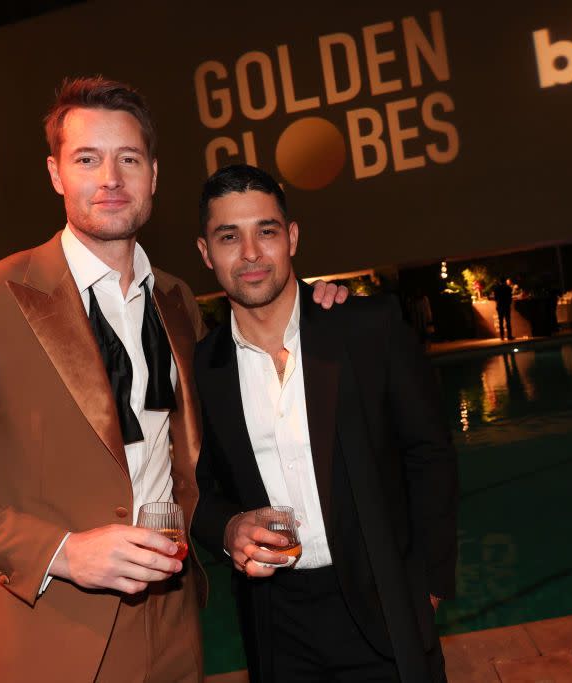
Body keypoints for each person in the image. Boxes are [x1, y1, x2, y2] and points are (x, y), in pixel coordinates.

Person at [0, 77, 344, 683]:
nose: (111, 179)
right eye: (87, 159)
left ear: (153, 174)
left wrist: (322, 310)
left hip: (172, 628)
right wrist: (60, 553)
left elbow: (192, 460)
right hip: (43, 641)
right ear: (55, 174)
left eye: (128, 159)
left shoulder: (177, 301)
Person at [191, 164, 457, 682]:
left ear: (291, 237)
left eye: (266, 231)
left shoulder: (367, 327)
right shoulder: (203, 367)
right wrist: (227, 528)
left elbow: (429, 453)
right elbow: (196, 488)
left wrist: (428, 582)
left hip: (384, 604)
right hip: (275, 620)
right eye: (229, 237)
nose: (250, 254)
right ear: (205, 252)